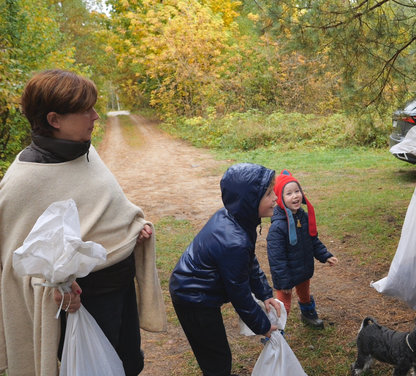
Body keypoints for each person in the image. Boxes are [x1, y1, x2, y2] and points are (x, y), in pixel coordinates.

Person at [0, 69, 166, 375]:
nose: (95, 116)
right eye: (85, 110)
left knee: (129, 363)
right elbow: (14, 261)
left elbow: (111, 208)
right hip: (82, 304)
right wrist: (55, 284)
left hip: (120, 289)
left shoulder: (85, 153)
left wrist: (133, 228)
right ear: (55, 120)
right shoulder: (24, 181)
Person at [169, 163, 282, 376]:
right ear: (249, 200)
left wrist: (265, 294)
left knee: (217, 354)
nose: (275, 197)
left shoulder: (237, 218)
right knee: (217, 358)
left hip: (197, 292)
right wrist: (262, 325)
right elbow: (238, 292)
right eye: (268, 193)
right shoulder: (234, 240)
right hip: (192, 297)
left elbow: (249, 262)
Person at [266, 170, 338, 329]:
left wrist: (325, 255)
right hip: (286, 275)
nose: (295, 196)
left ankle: (308, 314)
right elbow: (276, 259)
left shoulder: (303, 217)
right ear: (280, 198)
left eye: (297, 191)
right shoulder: (278, 227)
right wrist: (283, 281)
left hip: (303, 268)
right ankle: (277, 332)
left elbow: (312, 239)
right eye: (289, 193)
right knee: (283, 304)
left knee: (304, 294)